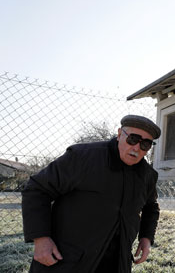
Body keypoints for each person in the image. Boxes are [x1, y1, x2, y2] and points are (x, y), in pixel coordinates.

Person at [21, 115, 161, 273]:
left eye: (145, 144)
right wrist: (41, 239)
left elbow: (151, 207)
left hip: (116, 262)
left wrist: (146, 237)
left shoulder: (147, 175)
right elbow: (37, 189)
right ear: (119, 134)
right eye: (133, 139)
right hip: (66, 261)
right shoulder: (83, 157)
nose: (136, 148)